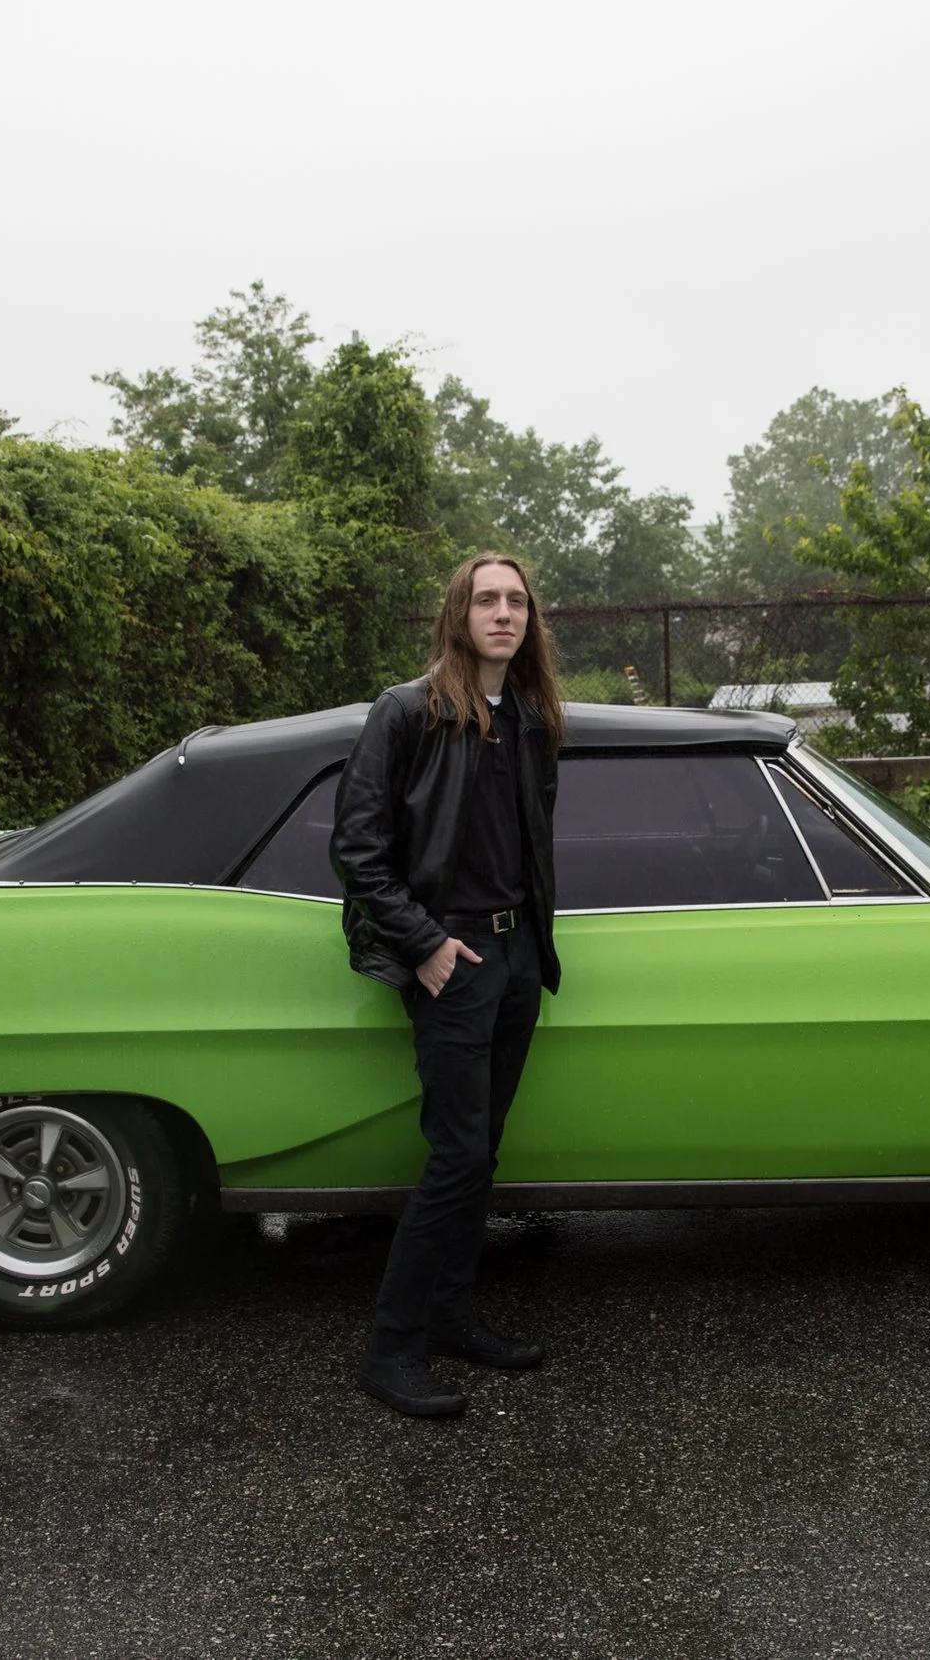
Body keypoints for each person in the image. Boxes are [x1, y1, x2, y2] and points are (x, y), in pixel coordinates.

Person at [329, 552, 565, 1418]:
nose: (503, 613)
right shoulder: (407, 711)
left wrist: (533, 946)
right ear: (458, 614)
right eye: (485, 599)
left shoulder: (533, 715)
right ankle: (391, 1349)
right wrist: (427, 944)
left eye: (516, 601)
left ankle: (453, 1312)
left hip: (514, 964)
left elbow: (532, 840)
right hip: (452, 962)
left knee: (481, 1155)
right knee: (457, 1155)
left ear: (530, 619)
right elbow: (357, 850)